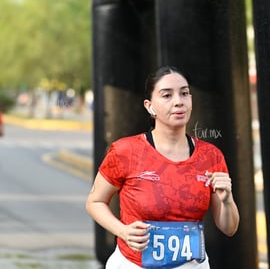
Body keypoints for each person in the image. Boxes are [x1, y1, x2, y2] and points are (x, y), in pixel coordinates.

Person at [86, 65, 240, 268]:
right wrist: (122, 230)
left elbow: (229, 228)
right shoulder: (125, 151)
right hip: (134, 264)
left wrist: (227, 200)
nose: (178, 102)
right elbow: (95, 202)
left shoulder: (211, 156)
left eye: (184, 93)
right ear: (150, 106)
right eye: (167, 95)